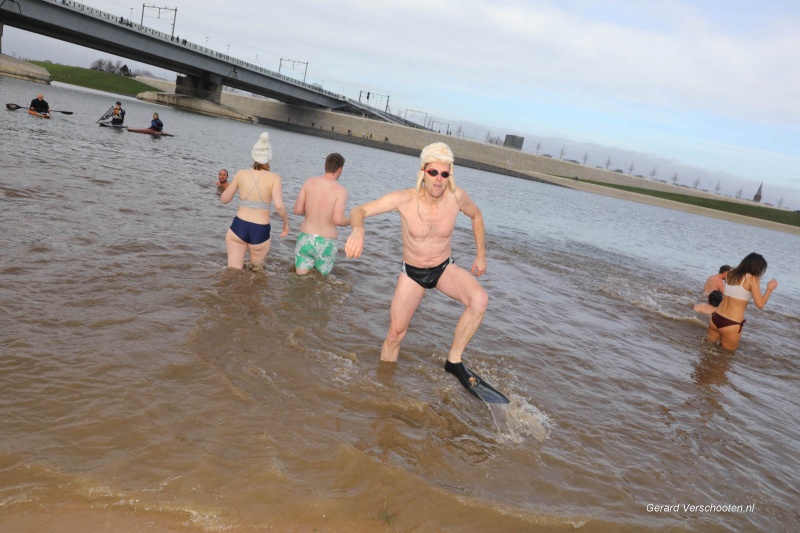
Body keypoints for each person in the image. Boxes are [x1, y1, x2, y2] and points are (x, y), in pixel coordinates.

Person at [345, 142, 488, 389]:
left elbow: (476, 215)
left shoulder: (457, 197)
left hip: (443, 268)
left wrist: (481, 255)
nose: (439, 179)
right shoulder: (404, 199)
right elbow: (359, 209)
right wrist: (358, 230)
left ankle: (454, 360)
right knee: (395, 334)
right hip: (412, 273)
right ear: (423, 171)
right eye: (433, 172)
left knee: (480, 300)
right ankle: (384, 384)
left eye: (445, 174)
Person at [220, 132, 289, 269]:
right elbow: (279, 206)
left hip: (238, 227)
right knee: (256, 274)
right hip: (260, 230)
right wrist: (286, 223)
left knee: (232, 271)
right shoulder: (275, 178)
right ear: (269, 157)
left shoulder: (241, 174)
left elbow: (224, 199)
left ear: (254, 155)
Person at [293, 153, 350, 276]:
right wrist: (352, 220)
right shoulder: (341, 191)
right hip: (326, 242)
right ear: (340, 170)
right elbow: (338, 220)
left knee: (300, 280)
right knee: (321, 284)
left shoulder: (309, 182)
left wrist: (312, 212)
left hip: (306, 238)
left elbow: (297, 210)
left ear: (325, 165)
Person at [707, 252, 778, 351]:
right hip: (731, 324)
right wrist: (769, 289)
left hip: (716, 317)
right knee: (726, 358)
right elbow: (760, 304)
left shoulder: (730, 273)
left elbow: (738, 293)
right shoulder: (753, 279)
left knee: (707, 351)